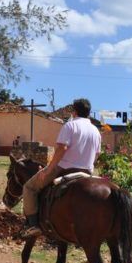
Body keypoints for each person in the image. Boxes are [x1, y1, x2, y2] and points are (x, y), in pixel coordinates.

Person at [20, 98, 102, 239]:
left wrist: (48, 169)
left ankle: (33, 225)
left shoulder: (70, 126)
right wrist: (89, 167)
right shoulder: (96, 131)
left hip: (65, 169)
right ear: (88, 113)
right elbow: (97, 153)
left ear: (74, 111)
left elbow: (61, 148)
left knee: (29, 188)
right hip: (87, 171)